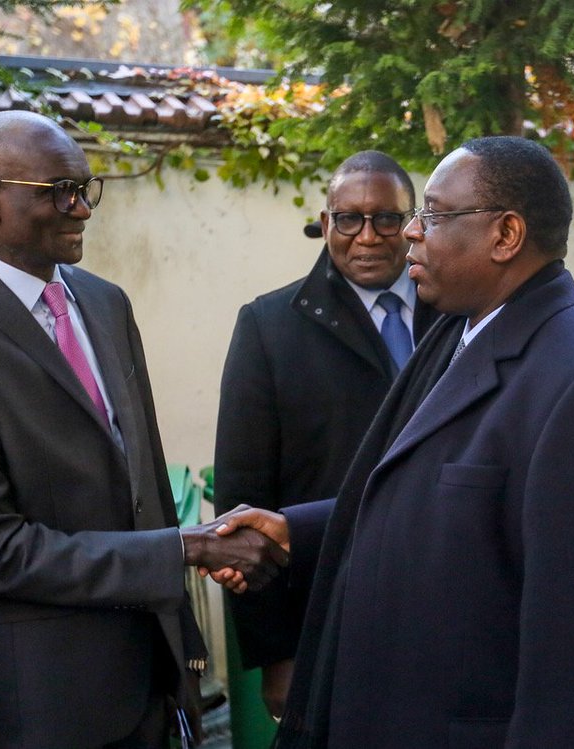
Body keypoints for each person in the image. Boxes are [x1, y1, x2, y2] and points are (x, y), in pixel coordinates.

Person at [216, 136, 574, 748]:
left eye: (432, 215)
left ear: (505, 235)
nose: (411, 232)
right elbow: (439, 497)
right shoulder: (459, 331)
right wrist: (295, 531)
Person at [0, 110, 286, 749]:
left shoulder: (104, 301)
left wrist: (185, 649)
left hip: (153, 681)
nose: (82, 208)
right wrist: (185, 549)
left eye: (85, 188)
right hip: (42, 704)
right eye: (60, 191)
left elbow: (145, 484)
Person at [214, 150, 437, 715]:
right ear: (325, 221)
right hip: (326, 614)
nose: (368, 236)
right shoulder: (269, 326)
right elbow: (244, 497)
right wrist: (275, 653)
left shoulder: (458, 315)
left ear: (413, 223)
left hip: (442, 603)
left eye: (386, 218)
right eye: (349, 219)